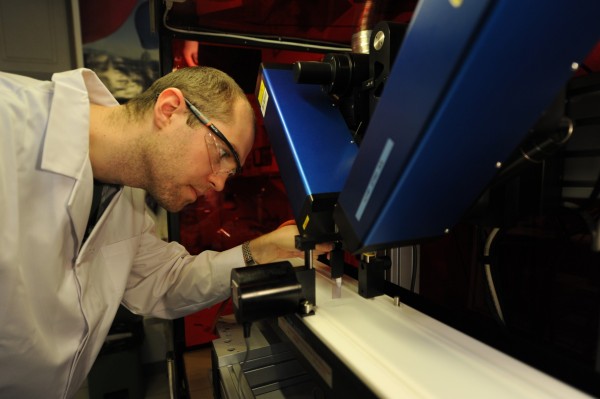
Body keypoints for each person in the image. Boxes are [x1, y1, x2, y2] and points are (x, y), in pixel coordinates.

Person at [0, 66, 332, 398]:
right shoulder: (10, 121)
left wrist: (260, 251)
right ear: (169, 109)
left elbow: (165, 282)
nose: (218, 183)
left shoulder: (125, 199)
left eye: (229, 174)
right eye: (221, 155)